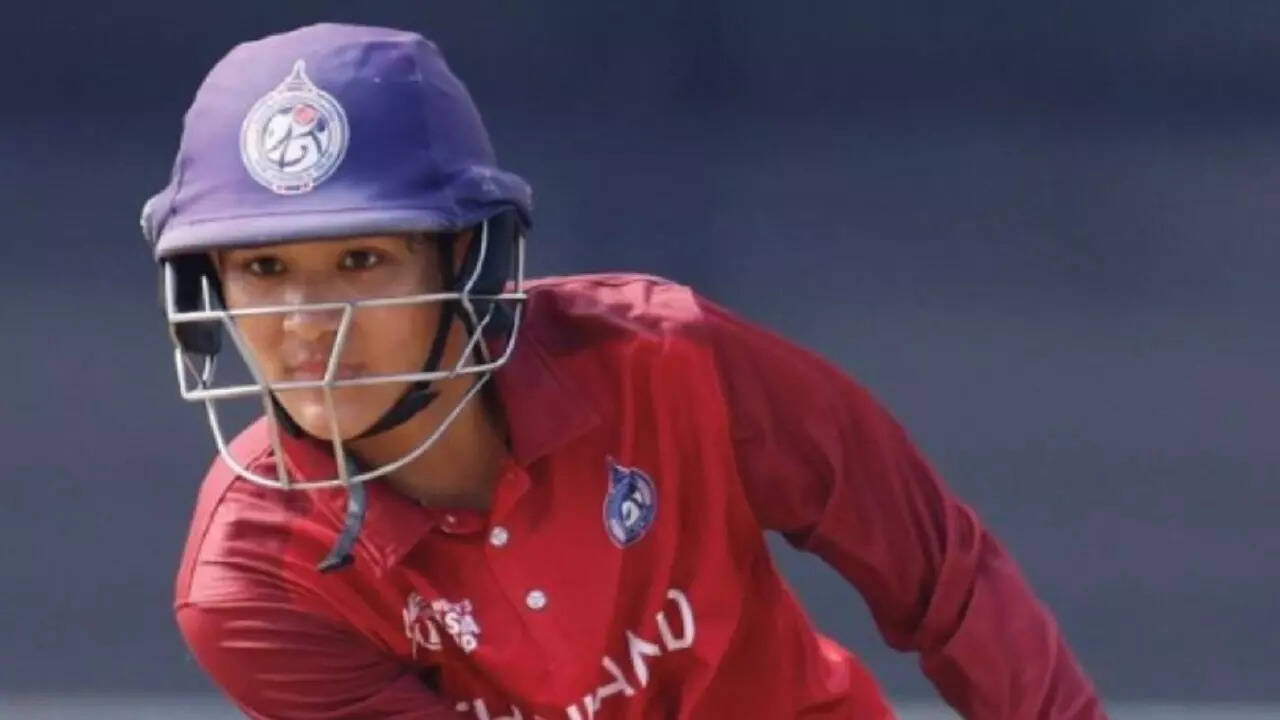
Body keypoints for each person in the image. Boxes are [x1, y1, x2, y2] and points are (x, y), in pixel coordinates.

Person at [142, 22, 1106, 720]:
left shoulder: (667, 360)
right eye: (263, 269)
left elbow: (938, 570)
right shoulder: (252, 581)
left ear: (468, 261)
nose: (308, 325)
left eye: (362, 260)